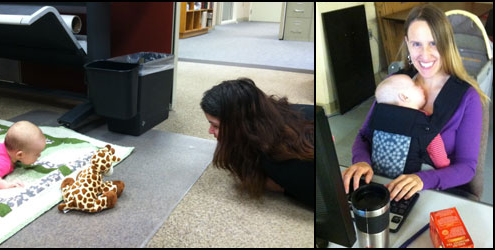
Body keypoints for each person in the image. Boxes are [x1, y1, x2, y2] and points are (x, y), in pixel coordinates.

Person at [343, 4, 489, 202]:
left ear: (447, 44)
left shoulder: (468, 97)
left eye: (433, 43)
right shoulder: (396, 84)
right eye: (417, 44)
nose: (425, 54)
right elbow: (365, 136)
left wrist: (421, 180)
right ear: (407, 44)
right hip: (386, 187)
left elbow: (467, 168)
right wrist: (362, 162)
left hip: (436, 192)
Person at [200, 78, 314, 208]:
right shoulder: (270, 111)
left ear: (242, 126)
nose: (210, 131)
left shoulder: (277, 161)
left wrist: (282, 188)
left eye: (216, 126)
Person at [375, 74, 450, 170]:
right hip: (411, 176)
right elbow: (436, 151)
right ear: (404, 97)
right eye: (414, 85)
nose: (419, 86)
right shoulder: (422, 122)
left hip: (379, 171)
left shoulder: (380, 118)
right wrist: (445, 166)